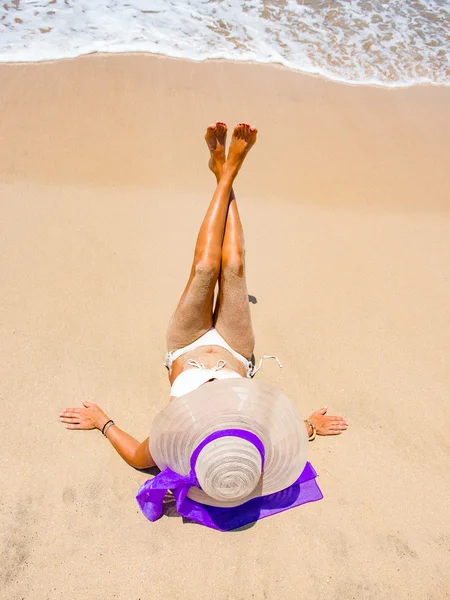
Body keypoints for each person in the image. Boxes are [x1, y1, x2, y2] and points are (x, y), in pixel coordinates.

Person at [59, 122, 348, 530]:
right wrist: (313, 427)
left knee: (204, 268)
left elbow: (136, 456)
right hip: (233, 350)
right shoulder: (262, 440)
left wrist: (102, 422)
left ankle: (223, 173)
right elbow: (295, 431)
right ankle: (228, 174)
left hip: (187, 346)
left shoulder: (172, 450)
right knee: (234, 267)